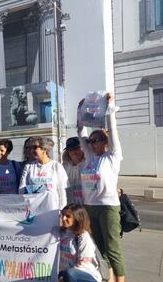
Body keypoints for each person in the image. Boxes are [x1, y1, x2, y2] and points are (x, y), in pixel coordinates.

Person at [78, 93, 125, 281]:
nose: (91, 143)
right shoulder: (89, 159)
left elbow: (112, 130)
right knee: (99, 244)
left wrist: (110, 107)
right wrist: (79, 111)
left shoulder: (112, 157)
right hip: (90, 207)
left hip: (108, 206)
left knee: (113, 247)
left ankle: (120, 279)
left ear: (105, 142)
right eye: (90, 141)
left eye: (96, 140)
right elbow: (81, 133)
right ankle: (110, 275)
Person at [18, 136, 69, 210]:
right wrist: (35, 189)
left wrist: (62, 210)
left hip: (52, 210)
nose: (32, 150)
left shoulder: (56, 166)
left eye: (35, 147)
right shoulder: (28, 167)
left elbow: (62, 192)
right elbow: (21, 190)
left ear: (44, 150)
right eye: (31, 147)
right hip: (34, 210)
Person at [58, 203, 102, 282]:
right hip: (64, 274)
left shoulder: (83, 236)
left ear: (77, 218)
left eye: (68, 216)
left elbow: (82, 265)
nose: (63, 218)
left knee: (69, 274)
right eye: (62, 215)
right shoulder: (60, 233)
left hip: (84, 275)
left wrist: (62, 277)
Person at [62, 137, 85, 204]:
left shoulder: (88, 164)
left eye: (77, 148)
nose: (74, 152)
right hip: (71, 204)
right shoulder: (64, 167)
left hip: (87, 203)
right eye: (70, 149)